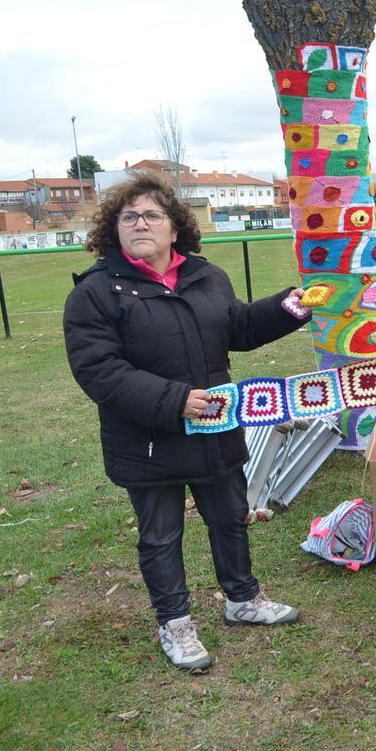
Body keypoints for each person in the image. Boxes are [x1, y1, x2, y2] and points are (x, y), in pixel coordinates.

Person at [64, 173, 307, 672]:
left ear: (175, 227)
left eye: (152, 215)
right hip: (148, 439)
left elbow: (236, 327)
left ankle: (243, 599)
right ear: (114, 229)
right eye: (128, 216)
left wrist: (288, 308)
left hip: (215, 431)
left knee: (230, 518)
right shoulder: (95, 293)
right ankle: (174, 623)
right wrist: (176, 401)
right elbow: (99, 371)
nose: (140, 223)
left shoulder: (205, 276)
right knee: (160, 535)